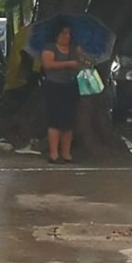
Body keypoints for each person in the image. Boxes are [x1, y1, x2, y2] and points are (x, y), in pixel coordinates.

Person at [41, 20, 88, 164]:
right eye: (64, 33)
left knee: (68, 122)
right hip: (54, 86)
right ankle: (54, 153)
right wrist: (67, 64)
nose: (67, 36)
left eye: (69, 34)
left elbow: (85, 63)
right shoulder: (50, 48)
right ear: (56, 35)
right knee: (55, 120)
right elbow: (48, 65)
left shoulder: (74, 49)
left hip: (71, 86)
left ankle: (66, 153)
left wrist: (82, 58)